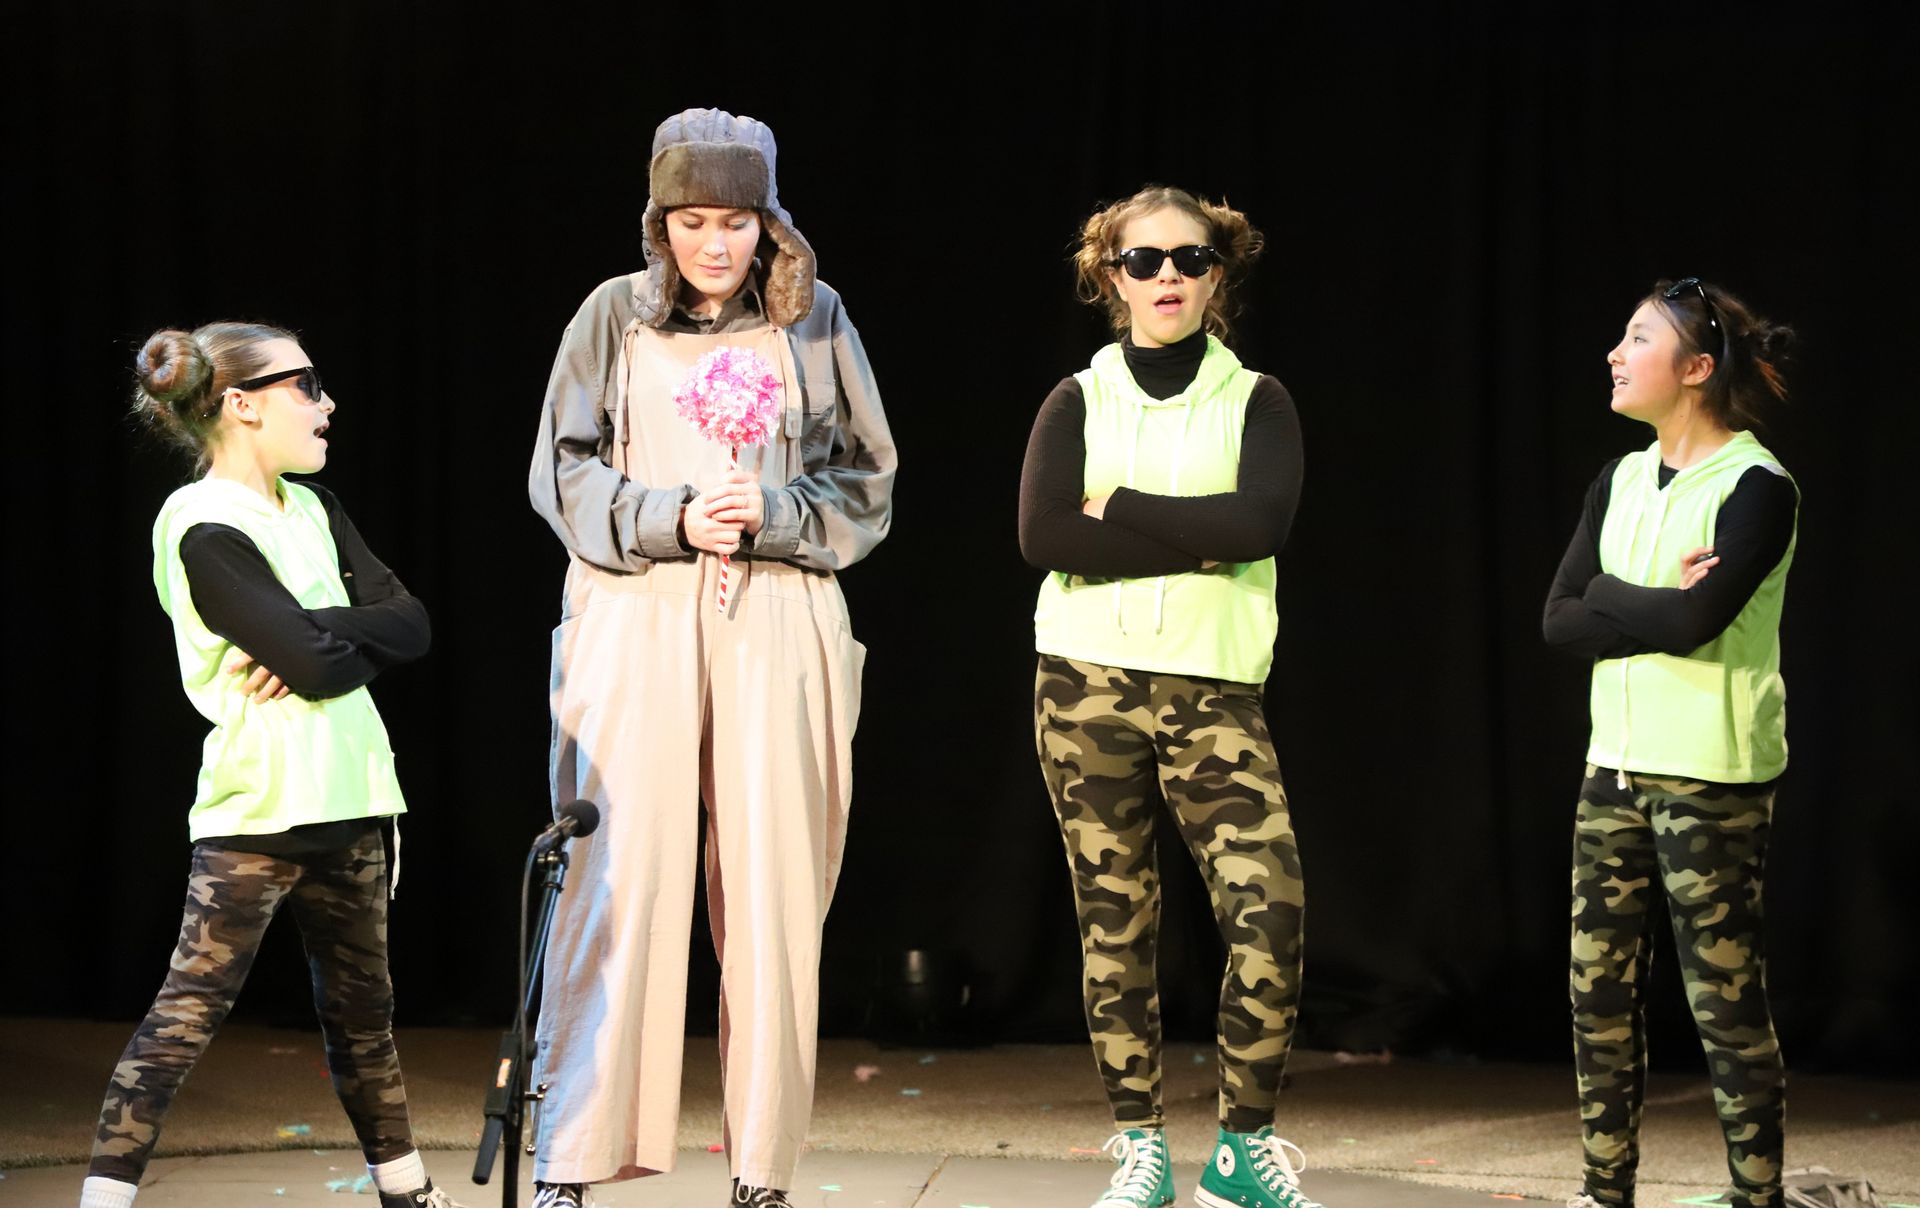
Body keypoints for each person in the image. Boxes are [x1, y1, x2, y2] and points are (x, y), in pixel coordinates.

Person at [526, 108, 897, 1208]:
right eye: (692, 220)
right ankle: (576, 1156)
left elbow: (867, 479)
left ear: (767, 221)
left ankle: (759, 1171)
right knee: (618, 881)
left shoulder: (816, 318)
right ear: (661, 221)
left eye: (735, 221)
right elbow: (562, 465)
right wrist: (664, 514)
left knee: (776, 888)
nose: (715, 245)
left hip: (774, 610)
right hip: (636, 606)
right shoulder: (611, 318)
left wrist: (774, 508)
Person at [84, 322, 452, 1208]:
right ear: (241, 405)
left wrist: (328, 629)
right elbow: (324, 661)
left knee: (366, 1022)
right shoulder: (203, 523)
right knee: (186, 1015)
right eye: (306, 386)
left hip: (355, 793)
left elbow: (412, 625)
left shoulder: (318, 508)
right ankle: (102, 1201)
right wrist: (334, 638)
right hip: (261, 810)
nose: (326, 405)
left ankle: (409, 1192)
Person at [1019, 186, 1318, 1208]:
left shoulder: (1257, 399)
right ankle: (1140, 1141)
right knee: (1117, 919)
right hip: (1084, 681)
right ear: (1111, 275)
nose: (1167, 278)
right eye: (1143, 261)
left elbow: (1259, 524)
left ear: (1217, 274)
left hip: (1215, 688)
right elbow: (1046, 536)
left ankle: (1241, 1146)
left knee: (1267, 905)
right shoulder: (1077, 397)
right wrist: (1196, 535)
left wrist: (1126, 510)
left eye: (1189, 259)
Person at [1543, 278, 1798, 1208]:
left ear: (1696, 370)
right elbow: (1557, 622)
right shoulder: (1616, 479)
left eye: (1637, 338)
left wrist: (1613, 597)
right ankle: (1604, 1191)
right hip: (1611, 769)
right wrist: (1637, 601)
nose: (1616, 353)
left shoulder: (1757, 488)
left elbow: (1698, 621)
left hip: (1712, 778)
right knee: (1596, 994)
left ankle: (1753, 1196)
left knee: (1723, 1002)